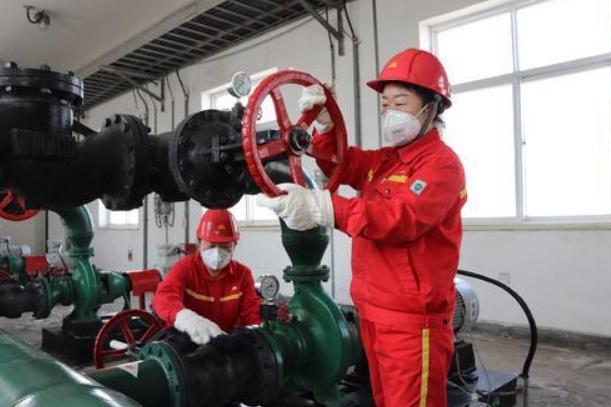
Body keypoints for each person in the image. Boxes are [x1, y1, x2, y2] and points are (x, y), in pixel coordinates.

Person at [257, 48, 466, 407]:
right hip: (372, 313)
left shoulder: (442, 166)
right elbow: (342, 162)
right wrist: (324, 125)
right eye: (385, 104)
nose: (390, 112)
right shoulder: (386, 161)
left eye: (400, 101)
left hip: (412, 324)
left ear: (433, 106)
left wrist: (323, 207)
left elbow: (397, 219)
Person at [152, 209, 261, 345]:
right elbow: (163, 297)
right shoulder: (184, 269)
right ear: (199, 243)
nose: (218, 252)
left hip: (225, 346)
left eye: (225, 246)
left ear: (234, 246)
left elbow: (252, 314)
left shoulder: (243, 275)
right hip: (187, 346)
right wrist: (186, 319)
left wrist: (257, 336)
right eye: (212, 245)